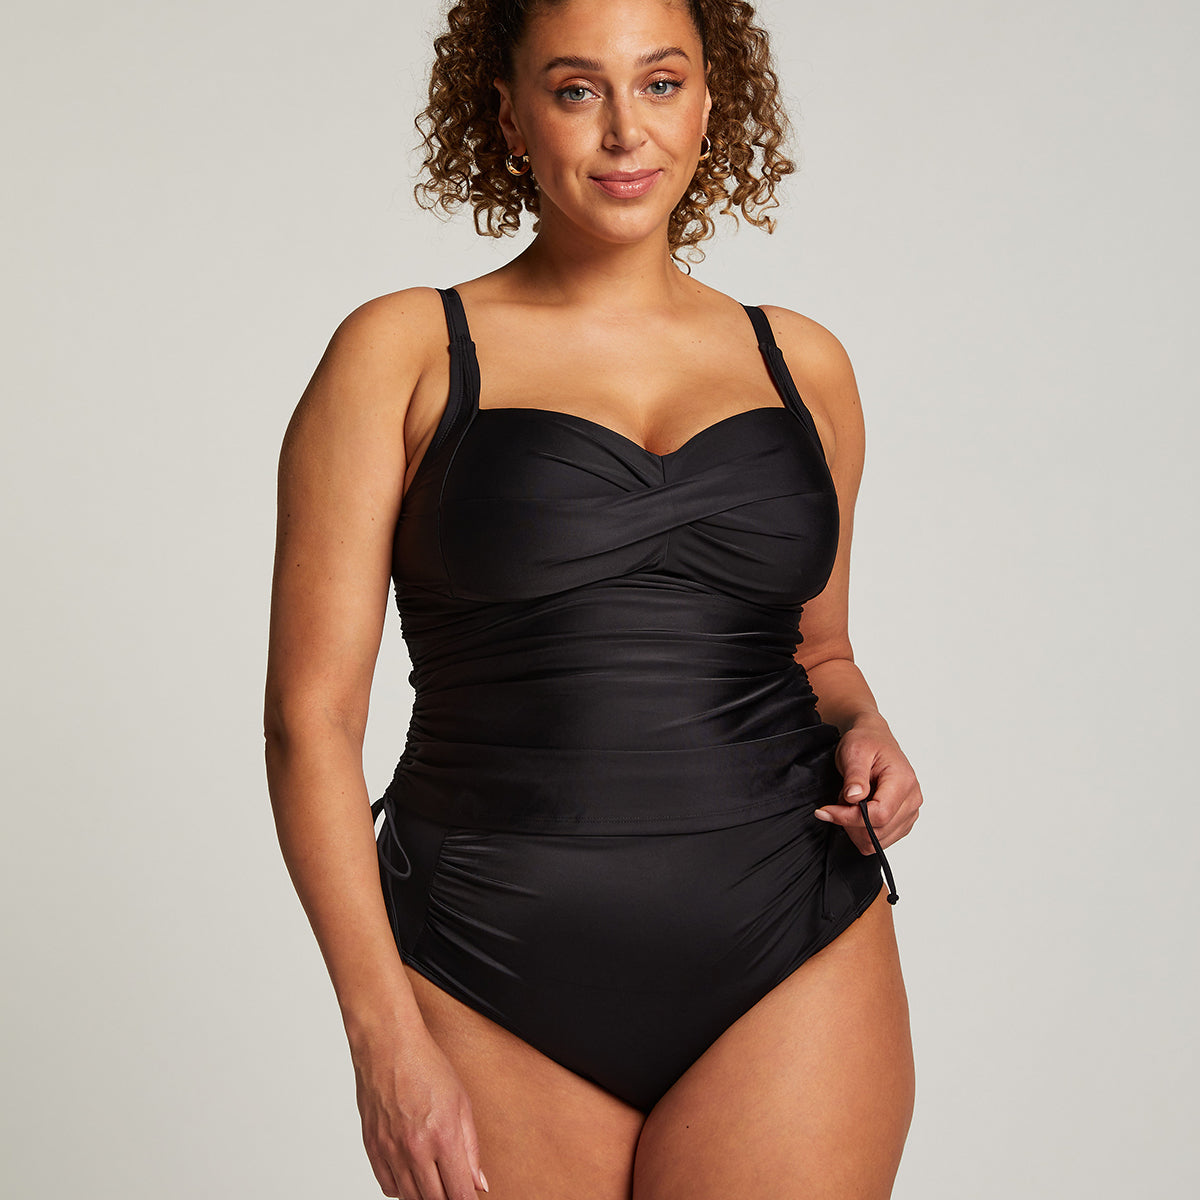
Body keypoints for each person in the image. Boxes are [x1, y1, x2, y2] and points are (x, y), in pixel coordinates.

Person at [264, 0, 923, 1197]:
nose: (626, 130)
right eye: (577, 90)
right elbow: (309, 723)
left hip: (794, 933)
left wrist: (865, 726)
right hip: (489, 954)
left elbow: (821, 652)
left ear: (712, 101)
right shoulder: (405, 351)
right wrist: (382, 1041)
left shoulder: (803, 365)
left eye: (661, 83)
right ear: (511, 116)